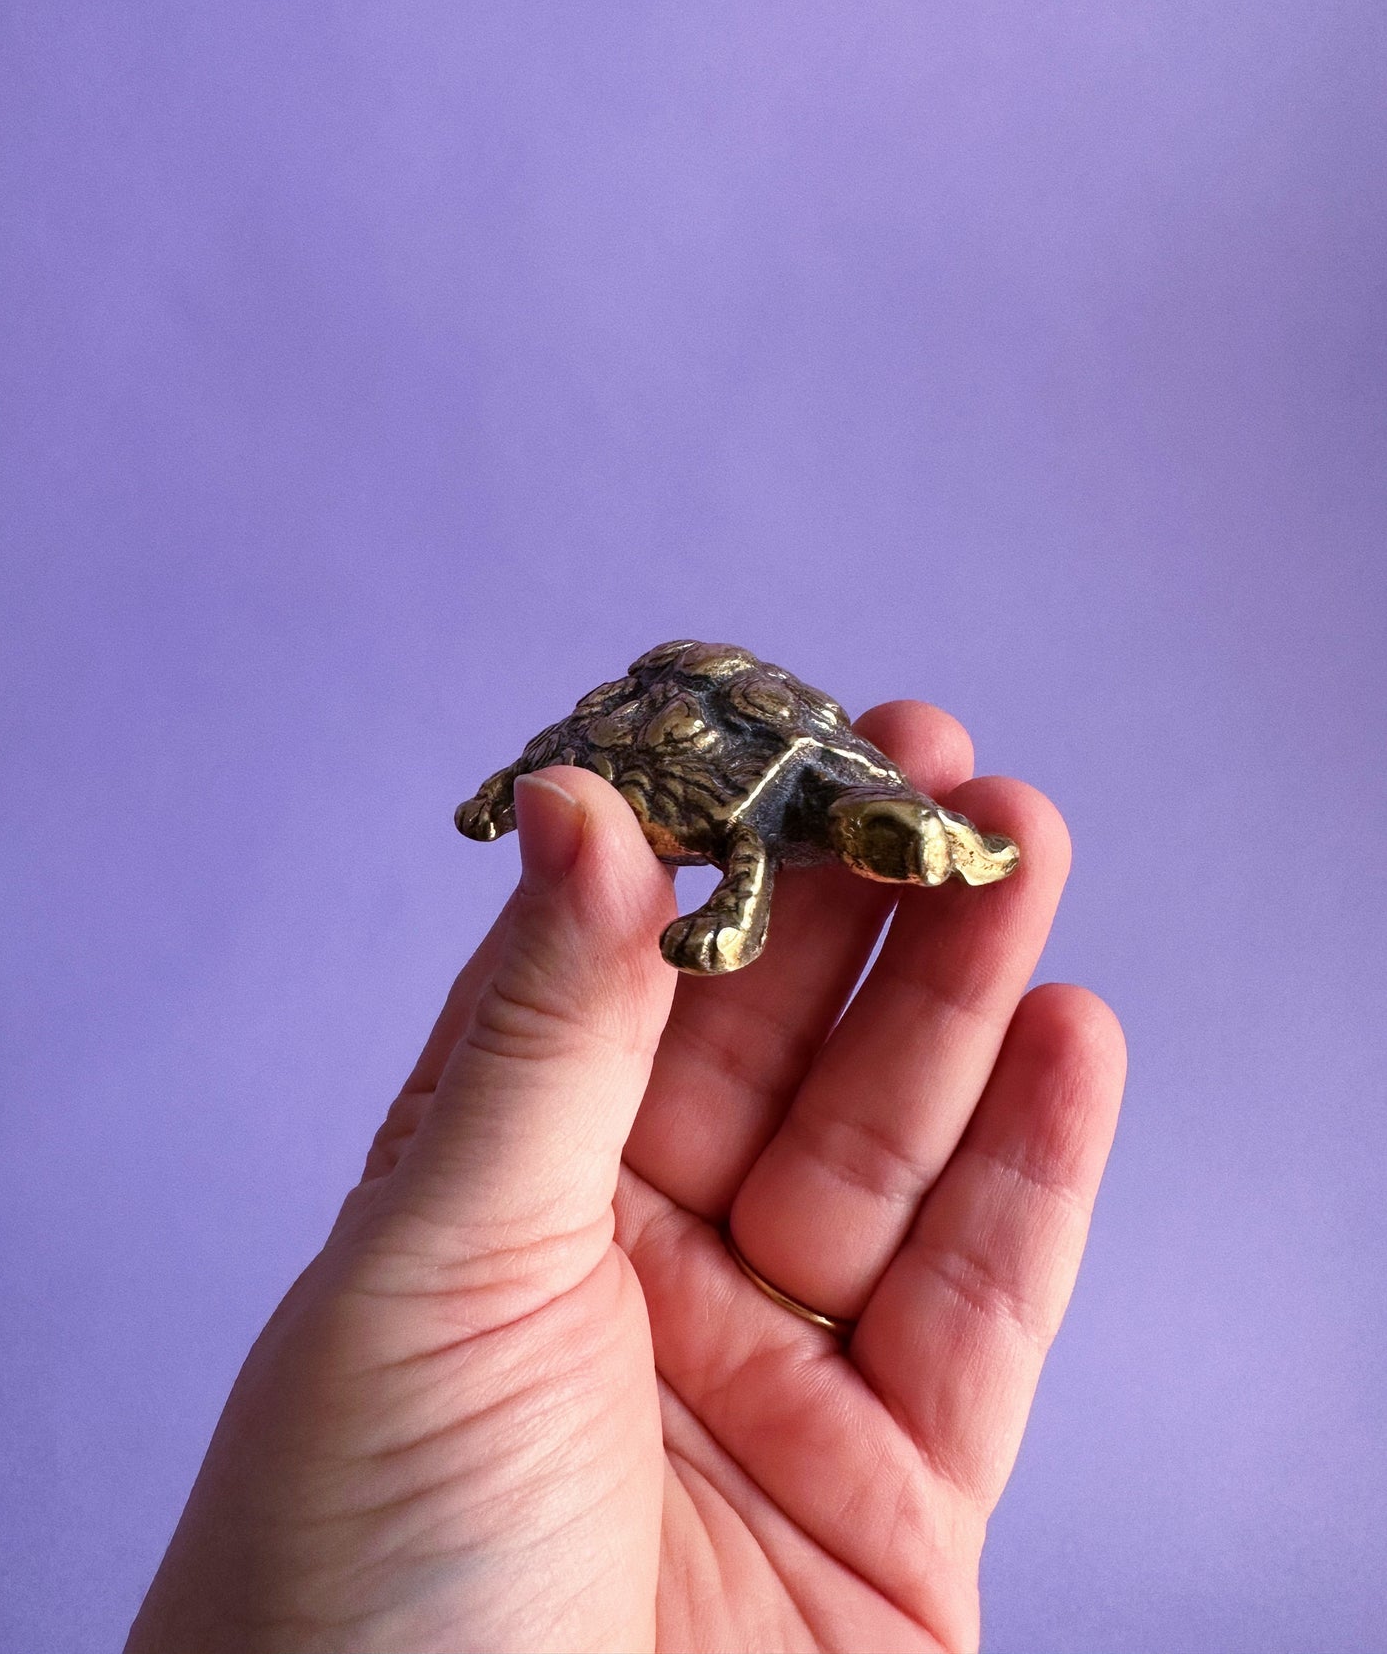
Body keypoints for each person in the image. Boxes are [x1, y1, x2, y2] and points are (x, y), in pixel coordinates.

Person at [125, 699, 1125, 1654]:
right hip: (701, 743)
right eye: (888, 844)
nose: (885, 860)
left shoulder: (860, 802)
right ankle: (513, 784)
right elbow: (746, 846)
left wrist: (956, 846)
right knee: (732, 847)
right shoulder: (763, 823)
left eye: (897, 848)